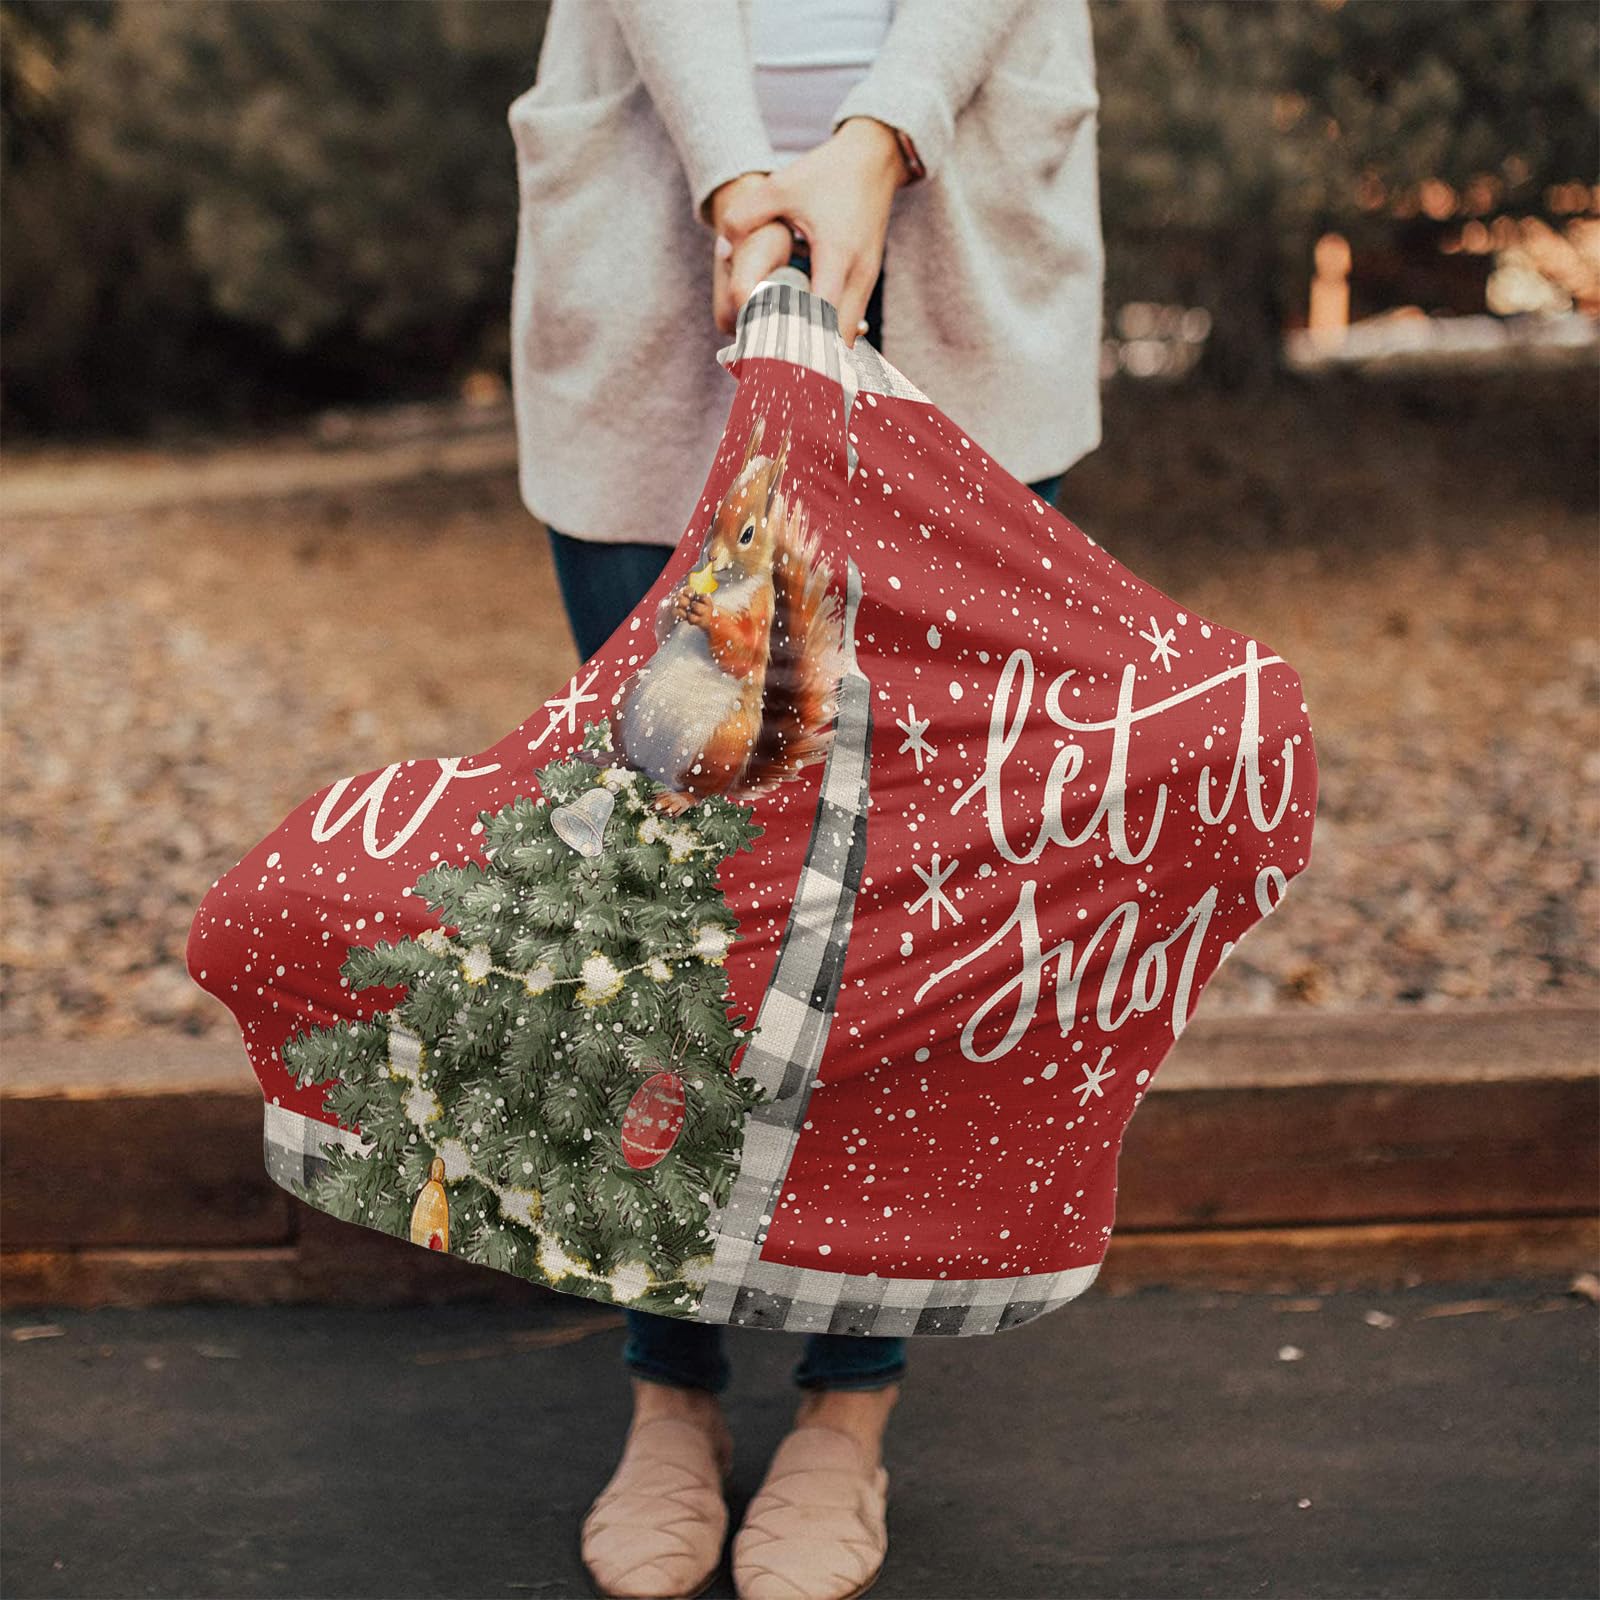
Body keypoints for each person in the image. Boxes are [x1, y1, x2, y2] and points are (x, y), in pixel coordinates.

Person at [506, 3, 1102, 1595]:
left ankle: (850, 1405)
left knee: (904, 891)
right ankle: (671, 1386)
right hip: (657, 226)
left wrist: (880, 139)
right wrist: (734, 177)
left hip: (959, 232)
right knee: (667, 880)